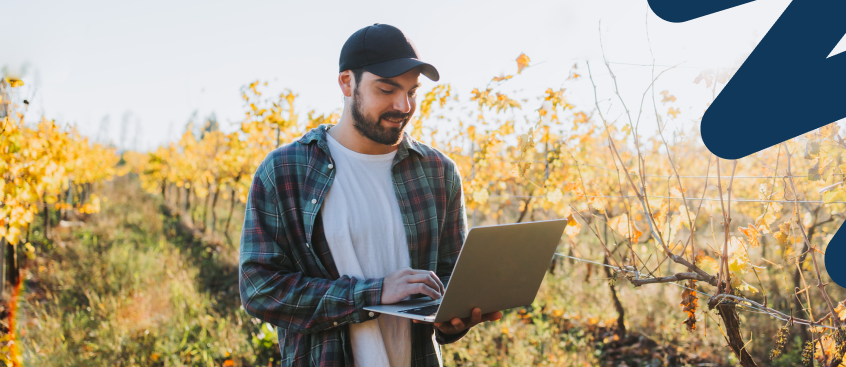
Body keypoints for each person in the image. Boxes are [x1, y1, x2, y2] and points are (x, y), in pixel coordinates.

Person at [238, 23, 502, 367]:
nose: (403, 105)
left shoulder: (439, 172)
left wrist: (454, 319)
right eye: (386, 89)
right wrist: (371, 294)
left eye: (412, 91)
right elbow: (260, 289)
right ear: (347, 83)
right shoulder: (286, 171)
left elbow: (450, 280)